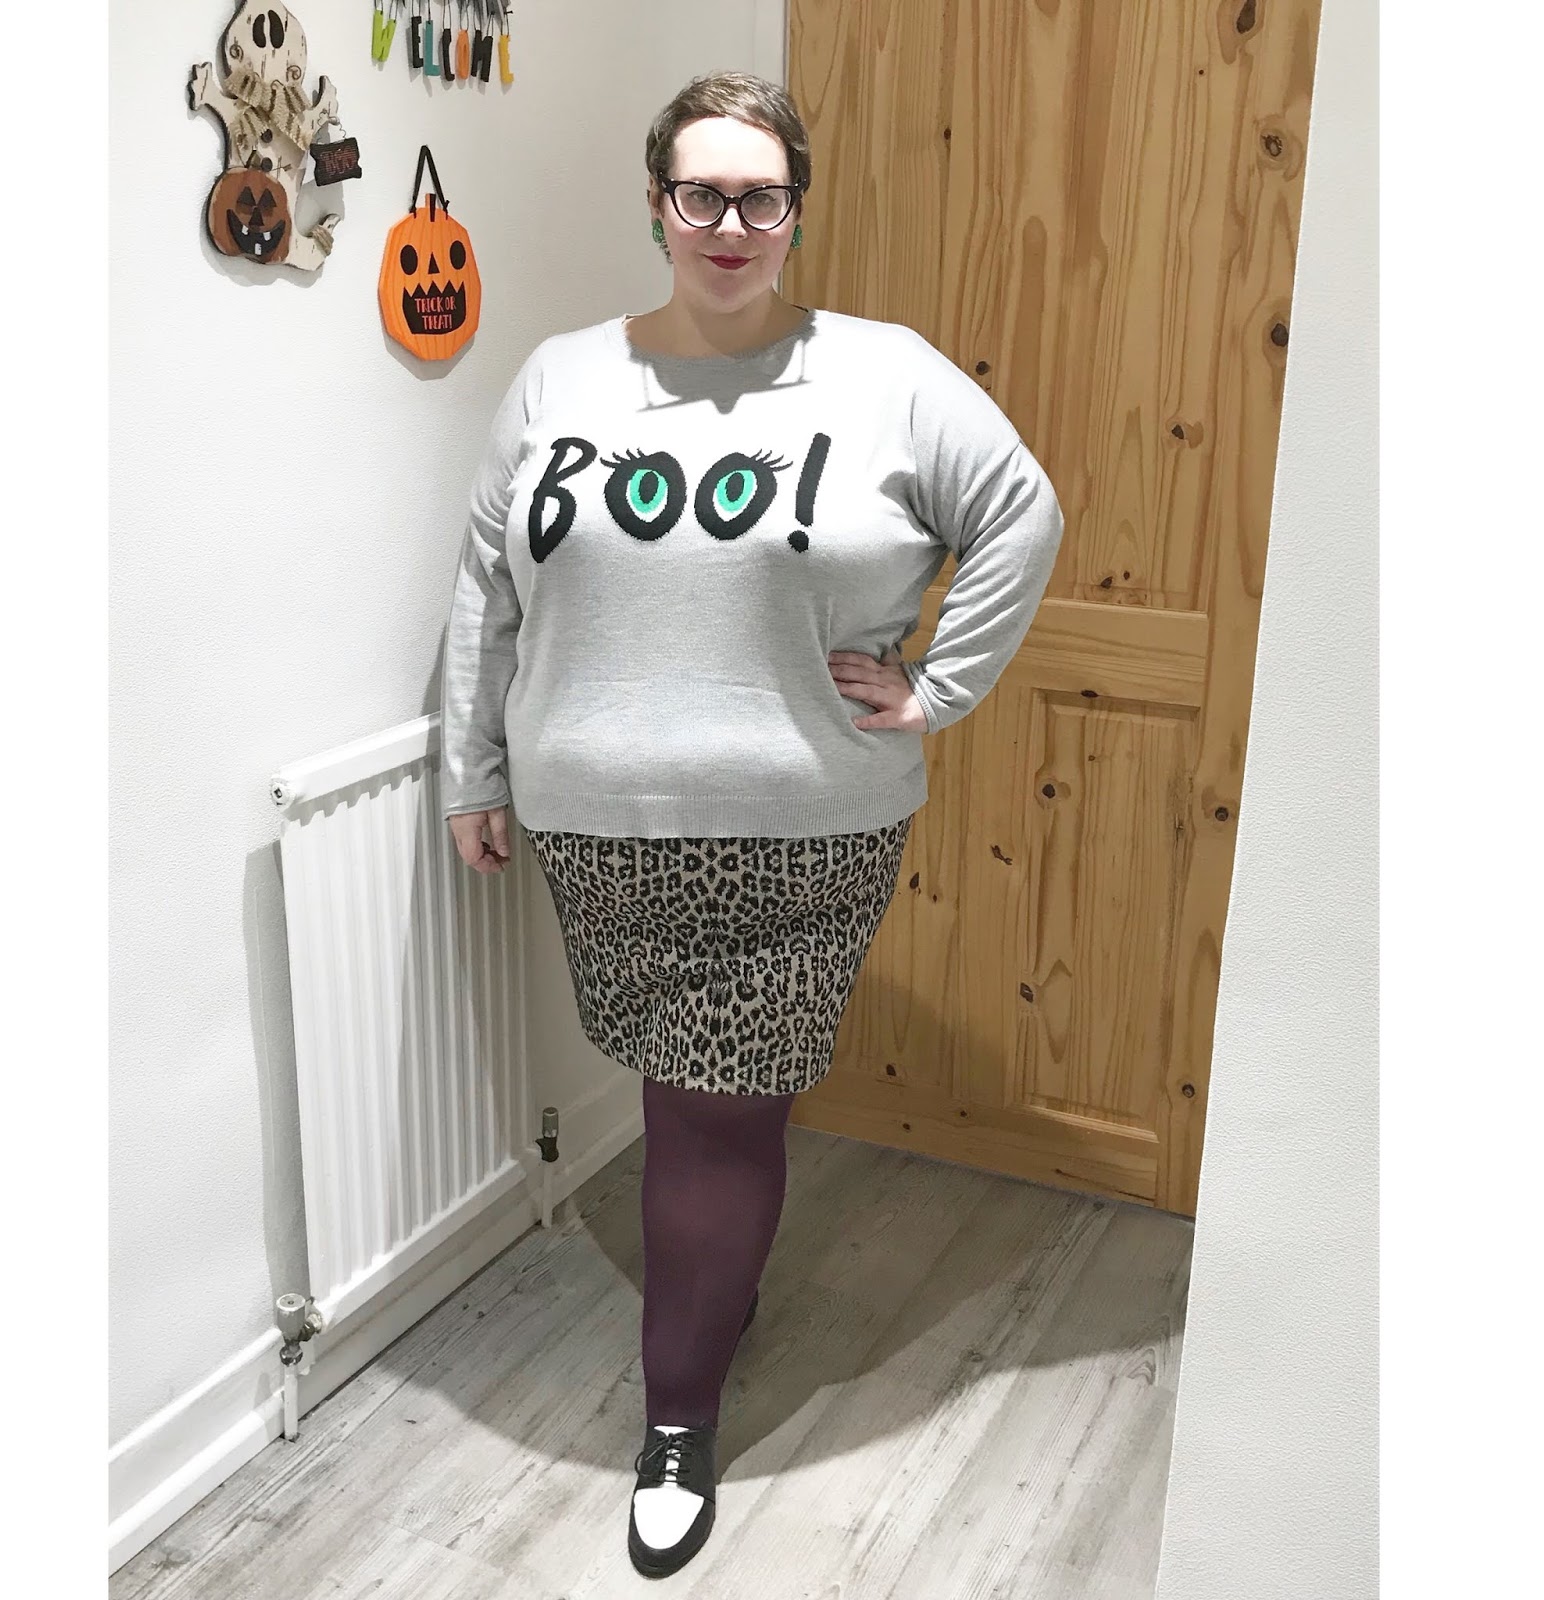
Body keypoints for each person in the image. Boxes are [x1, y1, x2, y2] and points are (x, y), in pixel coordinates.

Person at [439, 69, 1064, 1579]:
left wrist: (940, 685)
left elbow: (1021, 511)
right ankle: (716, 1295)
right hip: (596, 820)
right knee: (686, 1091)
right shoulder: (562, 377)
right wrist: (472, 768)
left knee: (711, 1108)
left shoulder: (886, 373)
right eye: (701, 194)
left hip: (801, 825)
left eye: (760, 197)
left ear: (796, 211)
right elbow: (485, 584)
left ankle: (677, 1414)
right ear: (658, 206)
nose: (730, 224)